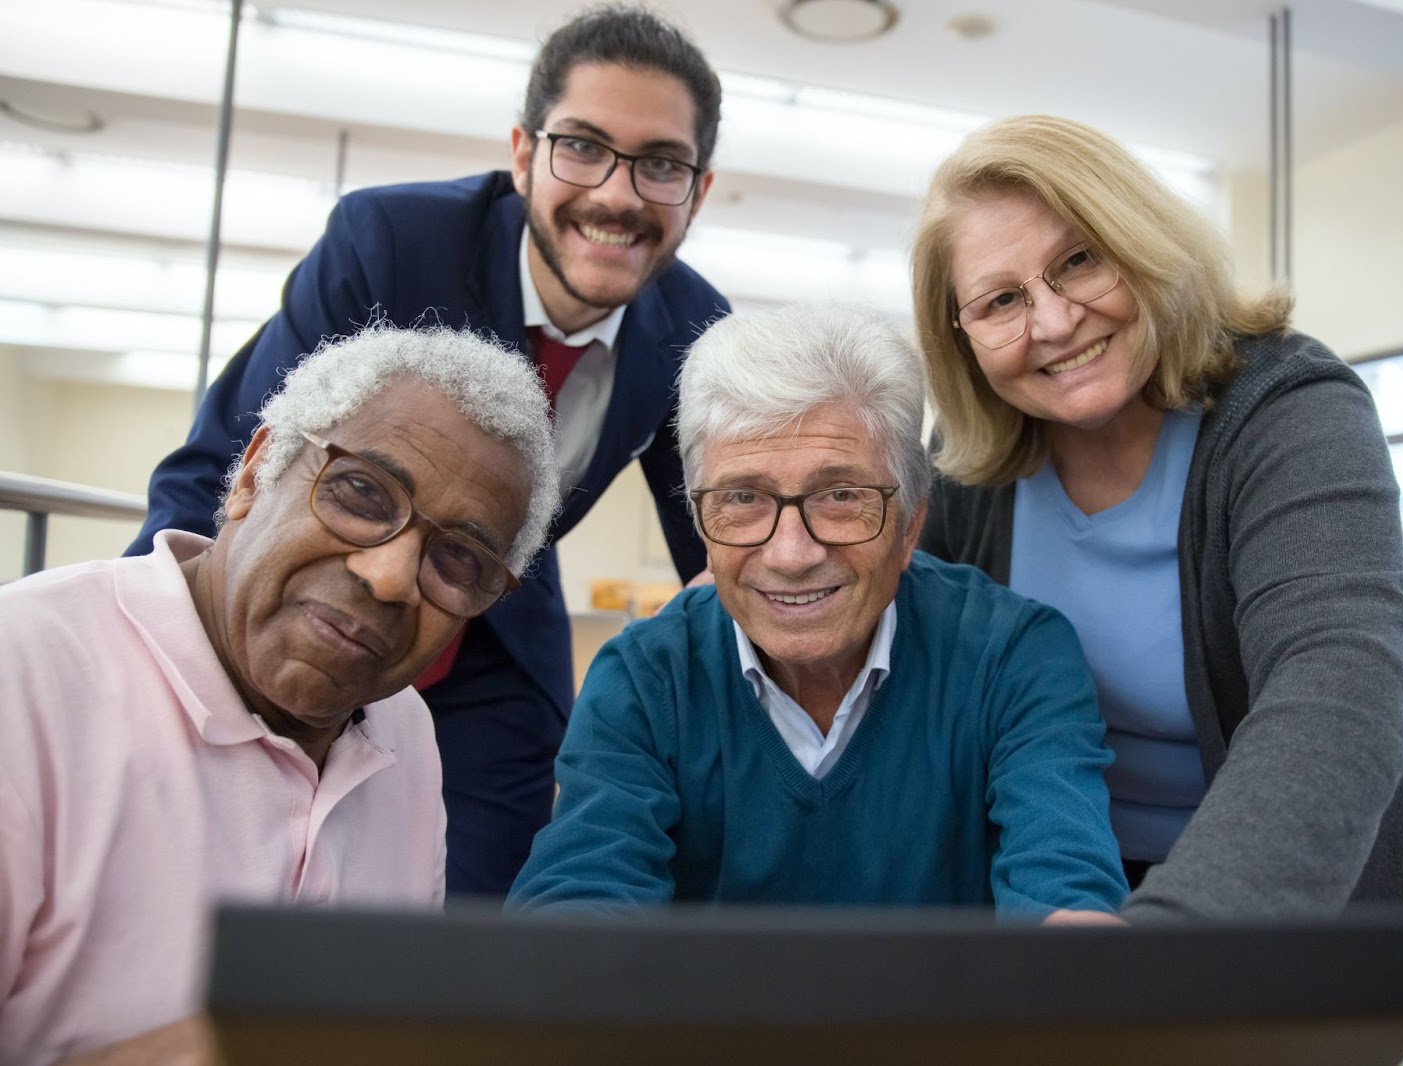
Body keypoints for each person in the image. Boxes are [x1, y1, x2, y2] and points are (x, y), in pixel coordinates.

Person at [126, 6, 730, 898]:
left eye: (661, 165)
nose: (618, 194)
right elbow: (235, 456)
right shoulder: (393, 243)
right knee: (212, 856)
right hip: (319, 585)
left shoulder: (693, 332)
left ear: (698, 190)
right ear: (524, 154)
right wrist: (154, 680)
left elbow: (719, 543)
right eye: (583, 148)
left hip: (486, 633)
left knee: (476, 908)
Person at [909, 115, 1403, 1037]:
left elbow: (1341, 685)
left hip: (1286, 901)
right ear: (962, 336)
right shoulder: (970, 473)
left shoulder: (1287, 409)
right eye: (1001, 301)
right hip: (1059, 900)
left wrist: (1163, 958)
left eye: (1080, 261)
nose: (1053, 322)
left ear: (1143, 244)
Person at [0, 325, 560, 1065]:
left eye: (458, 557)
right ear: (254, 473)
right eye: (362, 492)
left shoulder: (405, 734)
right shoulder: (25, 674)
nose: (389, 576)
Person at [507, 303, 1127, 918]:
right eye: (743, 498)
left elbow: (1065, 890)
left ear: (911, 524)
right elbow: (578, 899)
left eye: (841, 495)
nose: (792, 553)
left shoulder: (1016, 656)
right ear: (701, 523)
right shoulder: (646, 677)